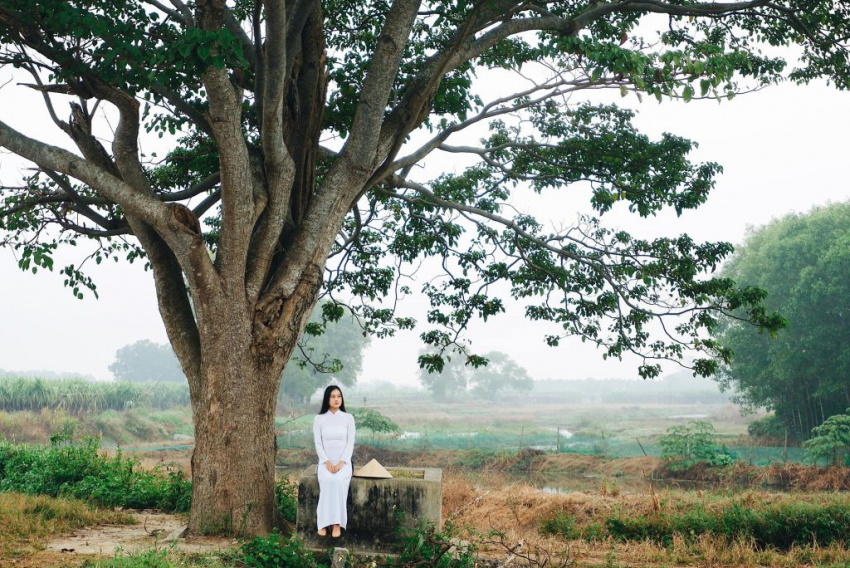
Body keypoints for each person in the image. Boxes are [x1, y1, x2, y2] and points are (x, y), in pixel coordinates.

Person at [313, 384, 355, 538]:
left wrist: (341, 462)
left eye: (339, 396)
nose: (336, 399)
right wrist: (327, 462)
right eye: (333, 396)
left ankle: (336, 524)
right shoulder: (319, 419)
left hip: (344, 463)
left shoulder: (348, 418)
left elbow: (350, 443)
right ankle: (323, 523)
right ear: (327, 399)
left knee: (337, 481)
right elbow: (318, 443)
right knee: (328, 481)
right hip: (325, 463)